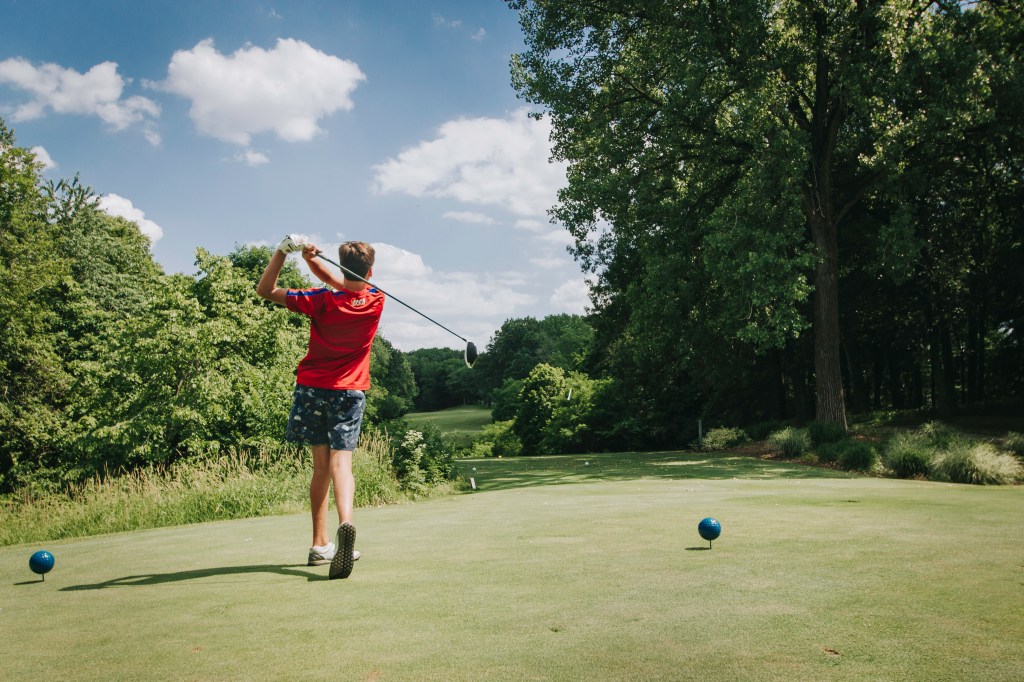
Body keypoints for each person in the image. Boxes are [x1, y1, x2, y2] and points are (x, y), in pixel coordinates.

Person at [256, 236, 384, 580]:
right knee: (342, 464)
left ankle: (319, 544)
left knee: (320, 468)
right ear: (371, 272)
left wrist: (285, 253)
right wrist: (314, 262)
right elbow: (347, 284)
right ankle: (346, 523)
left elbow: (265, 290)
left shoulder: (320, 300)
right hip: (349, 391)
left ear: (341, 266)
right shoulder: (376, 299)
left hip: (312, 389)